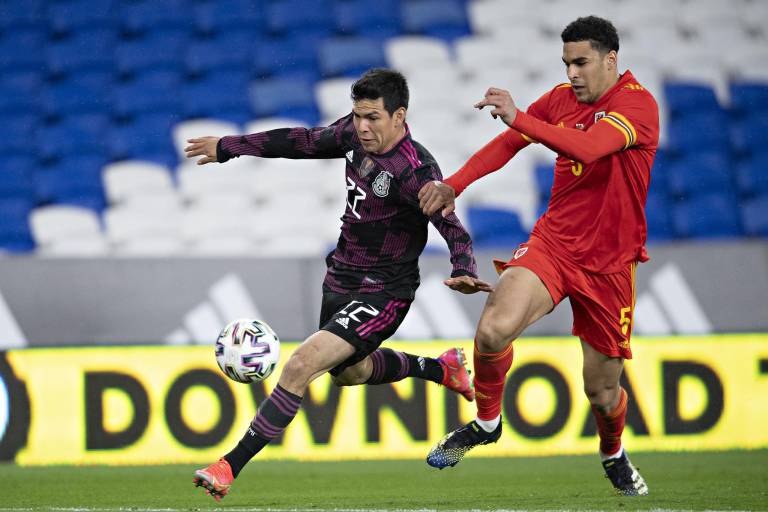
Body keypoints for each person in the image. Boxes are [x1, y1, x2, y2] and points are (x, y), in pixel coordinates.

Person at [184, 68, 492, 501]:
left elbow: (452, 227)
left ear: (399, 116)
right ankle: (442, 369)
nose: (362, 127)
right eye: (357, 116)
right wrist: (229, 147)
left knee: (299, 365)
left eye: (372, 118)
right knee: (350, 374)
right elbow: (300, 142)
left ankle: (227, 466)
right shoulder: (351, 134)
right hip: (341, 275)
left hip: (386, 290)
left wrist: (463, 266)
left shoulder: (416, 171)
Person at [418, 16, 658, 496]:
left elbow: (590, 148)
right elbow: (511, 143)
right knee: (491, 331)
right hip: (554, 244)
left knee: (601, 392)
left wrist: (520, 117)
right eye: (567, 63)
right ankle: (487, 424)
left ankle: (612, 452)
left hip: (610, 266)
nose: (572, 73)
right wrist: (453, 185)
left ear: (611, 60)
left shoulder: (637, 105)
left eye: (582, 63)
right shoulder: (559, 100)